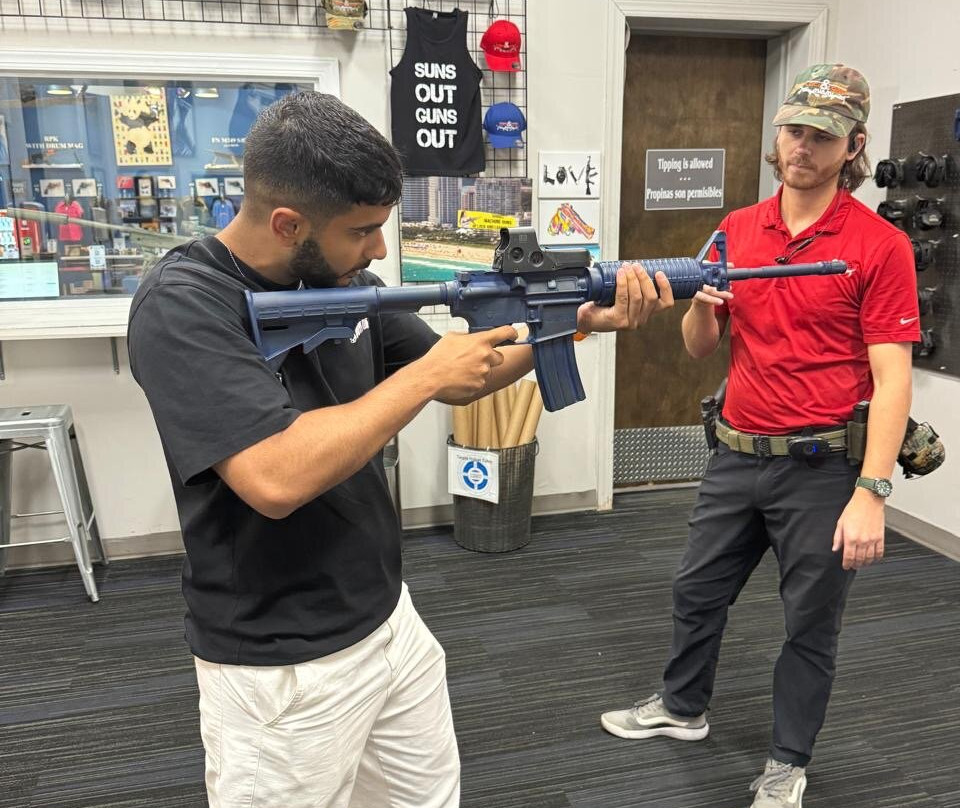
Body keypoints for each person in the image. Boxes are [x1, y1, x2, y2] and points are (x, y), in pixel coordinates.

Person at [127, 90, 674, 808]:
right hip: (279, 663)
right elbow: (273, 474)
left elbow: (462, 377)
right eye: (363, 232)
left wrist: (573, 324)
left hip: (387, 620)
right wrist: (425, 376)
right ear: (289, 223)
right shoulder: (184, 303)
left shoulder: (342, 279)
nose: (380, 250)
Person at [600, 64, 919, 808]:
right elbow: (698, 347)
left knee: (809, 623)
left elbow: (894, 380)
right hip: (736, 455)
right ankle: (683, 708)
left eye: (821, 137)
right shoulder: (738, 230)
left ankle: (787, 762)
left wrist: (872, 490)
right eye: (793, 130)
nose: (801, 147)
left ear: (853, 147)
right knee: (695, 590)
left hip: (823, 467)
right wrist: (705, 307)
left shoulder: (878, 246)